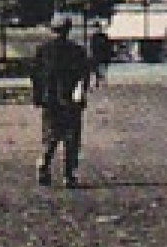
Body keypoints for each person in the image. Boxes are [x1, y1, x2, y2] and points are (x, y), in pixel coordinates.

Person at [30, 13, 94, 188]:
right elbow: (84, 75)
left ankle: (44, 163)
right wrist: (82, 94)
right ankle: (69, 174)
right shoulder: (77, 51)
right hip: (70, 99)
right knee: (71, 138)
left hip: (50, 100)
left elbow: (35, 76)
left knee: (50, 135)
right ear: (68, 30)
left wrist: (38, 97)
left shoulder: (43, 50)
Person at [87, 21, 113, 89]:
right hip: (97, 58)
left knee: (101, 73)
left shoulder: (103, 37)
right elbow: (91, 48)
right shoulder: (94, 37)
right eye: (95, 28)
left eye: (97, 27)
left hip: (101, 58)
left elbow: (108, 48)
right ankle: (97, 84)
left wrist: (108, 58)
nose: (96, 29)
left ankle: (100, 84)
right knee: (96, 72)